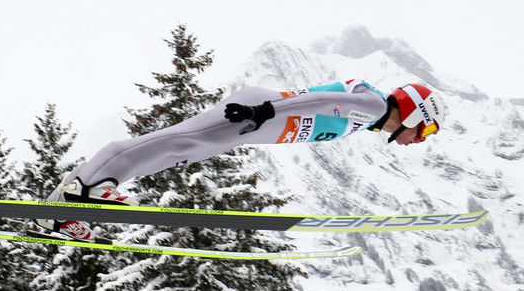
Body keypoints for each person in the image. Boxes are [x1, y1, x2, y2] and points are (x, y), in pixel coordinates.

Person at [33, 79, 447, 241]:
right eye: (424, 130)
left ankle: (64, 204)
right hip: (256, 116)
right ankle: (87, 192)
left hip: (259, 119)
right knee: (176, 144)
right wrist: (264, 111)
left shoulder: (369, 114)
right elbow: (323, 100)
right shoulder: (373, 106)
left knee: (175, 149)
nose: (417, 140)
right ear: (415, 112)